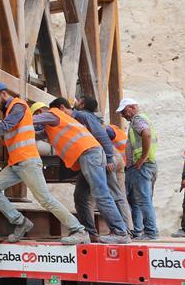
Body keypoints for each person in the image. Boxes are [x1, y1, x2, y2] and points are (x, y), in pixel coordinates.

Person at [0, 82, 88, 244]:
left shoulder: (18, 105)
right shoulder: (11, 112)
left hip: (27, 161)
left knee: (45, 199)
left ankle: (78, 230)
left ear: (3, 93)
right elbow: (6, 132)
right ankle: (21, 222)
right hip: (16, 164)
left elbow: (5, 128)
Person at [31, 101, 130, 245]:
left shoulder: (53, 113)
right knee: (81, 197)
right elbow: (33, 134)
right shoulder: (51, 127)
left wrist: (9, 121)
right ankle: (89, 234)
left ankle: (120, 232)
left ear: (41, 112)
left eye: (38, 116)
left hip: (90, 154)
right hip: (87, 156)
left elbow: (28, 121)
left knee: (101, 194)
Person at [74, 96, 134, 234]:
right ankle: (127, 229)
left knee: (108, 195)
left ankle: (122, 231)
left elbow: (104, 138)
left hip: (108, 158)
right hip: (115, 159)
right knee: (118, 196)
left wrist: (108, 159)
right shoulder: (99, 121)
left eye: (78, 102)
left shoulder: (89, 120)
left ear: (82, 104)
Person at [118, 98, 159, 240]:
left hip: (142, 166)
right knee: (141, 200)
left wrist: (142, 158)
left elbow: (146, 134)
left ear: (132, 107)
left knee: (143, 200)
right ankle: (142, 231)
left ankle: (150, 233)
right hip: (147, 165)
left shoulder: (137, 120)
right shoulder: (143, 119)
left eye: (124, 112)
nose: (123, 115)